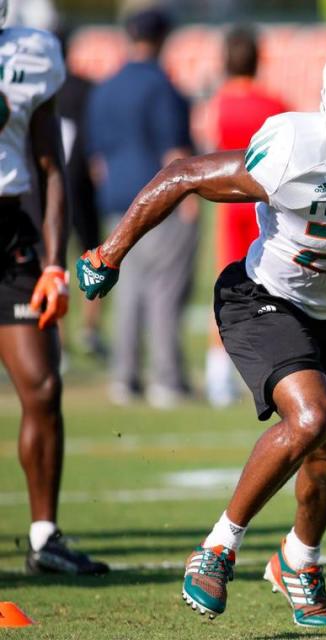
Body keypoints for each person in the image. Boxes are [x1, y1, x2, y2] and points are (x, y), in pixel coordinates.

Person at [77, 30, 326, 627]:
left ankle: (299, 560)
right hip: (261, 295)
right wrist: (108, 254)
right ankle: (217, 547)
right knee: (311, 417)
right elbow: (185, 173)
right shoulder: (297, 150)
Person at [0, 0, 108, 575]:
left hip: (11, 231)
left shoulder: (30, 53)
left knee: (42, 386)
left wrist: (54, 264)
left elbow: (49, 166)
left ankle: (45, 538)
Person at [85, 6, 199, 408]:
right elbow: (175, 151)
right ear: (162, 38)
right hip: (158, 201)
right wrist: (187, 200)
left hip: (117, 200)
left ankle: (125, 377)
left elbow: (96, 161)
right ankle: (166, 379)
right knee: (165, 290)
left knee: (128, 291)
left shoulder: (105, 88)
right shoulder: (161, 86)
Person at [204, 24, 289, 407]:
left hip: (228, 206)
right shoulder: (275, 104)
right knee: (275, 287)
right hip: (265, 206)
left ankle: (217, 373)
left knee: (226, 285)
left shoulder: (215, 104)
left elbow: (202, 154)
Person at [56, 25, 107, 359]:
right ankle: (90, 329)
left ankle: (58, 337)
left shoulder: (40, 90)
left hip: (48, 187)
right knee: (95, 255)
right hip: (82, 184)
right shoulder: (86, 88)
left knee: (53, 262)